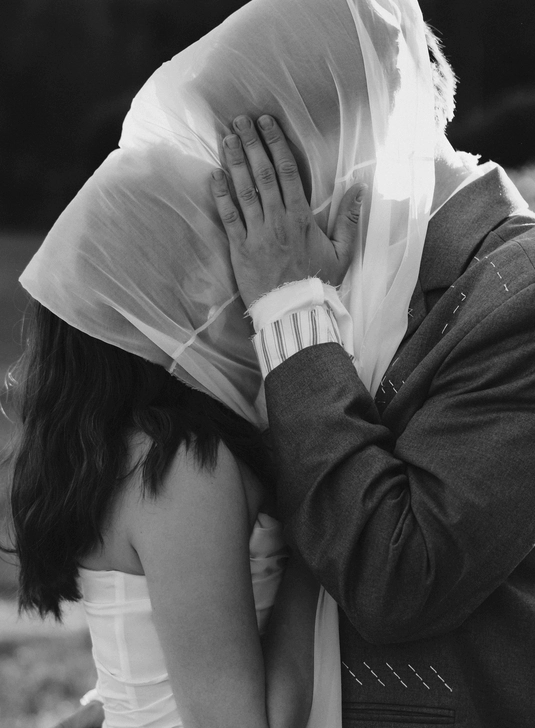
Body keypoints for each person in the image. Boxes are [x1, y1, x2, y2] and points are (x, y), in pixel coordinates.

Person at [7, 0, 444, 727]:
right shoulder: (182, 465)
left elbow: (142, 676)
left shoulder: (135, 446)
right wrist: (324, 534)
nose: (232, 280)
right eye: (211, 257)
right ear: (157, 299)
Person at [208, 31, 535, 728]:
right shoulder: (314, 263)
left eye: (258, 150)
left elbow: (398, 577)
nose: (250, 192)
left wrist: (289, 307)